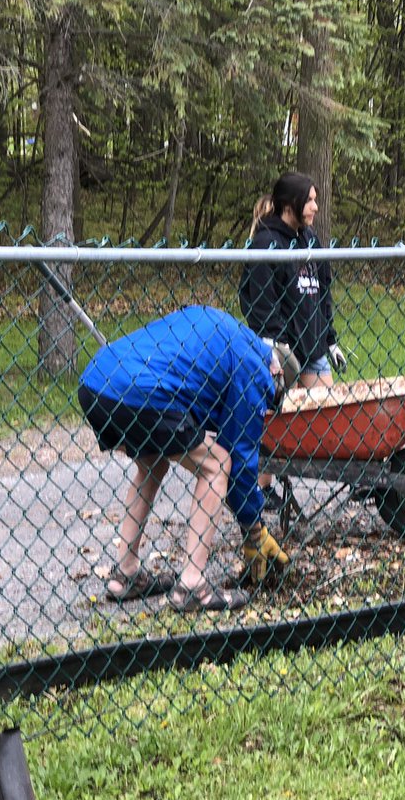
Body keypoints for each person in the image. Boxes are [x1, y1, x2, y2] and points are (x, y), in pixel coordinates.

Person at [78, 305, 290, 612]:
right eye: (272, 395)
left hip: (97, 382)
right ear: (277, 371)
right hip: (141, 391)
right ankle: (193, 585)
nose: (268, 399)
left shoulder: (228, 330)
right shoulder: (254, 367)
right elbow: (240, 458)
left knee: (153, 461)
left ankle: (126, 573)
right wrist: (254, 528)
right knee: (216, 466)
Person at [239, 172, 347, 504]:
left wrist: (329, 339)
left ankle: (356, 476)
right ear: (291, 204)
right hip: (280, 352)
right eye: (310, 200)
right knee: (274, 422)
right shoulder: (265, 244)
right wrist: (277, 345)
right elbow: (258, 302)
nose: (315, 206)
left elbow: (323, 292)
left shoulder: (311, 240)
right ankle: (262, 490)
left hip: (313, 348)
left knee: (333, 415)